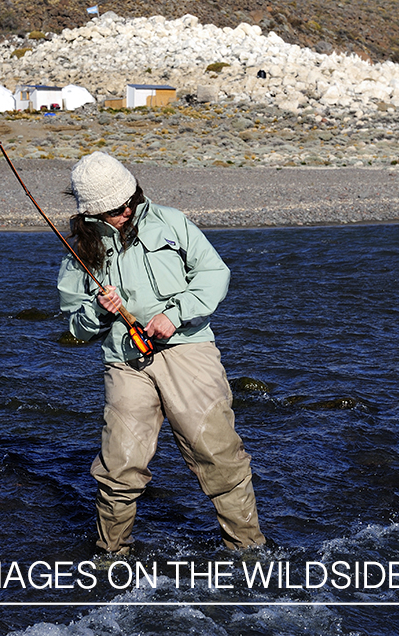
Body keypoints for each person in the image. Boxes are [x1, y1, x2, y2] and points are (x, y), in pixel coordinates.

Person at [57, 151, 265, 554]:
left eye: (130, 199)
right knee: (119, 468)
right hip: (125, 363)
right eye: (116, 209)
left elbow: (214, 273)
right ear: (93, 214)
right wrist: (100, 310)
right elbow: (75, 328)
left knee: (218, 455)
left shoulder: (171, 222)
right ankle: (111, 557)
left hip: (189, 351)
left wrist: (175, 314)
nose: (127, 210)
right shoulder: (79, 256)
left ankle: (247, 551)